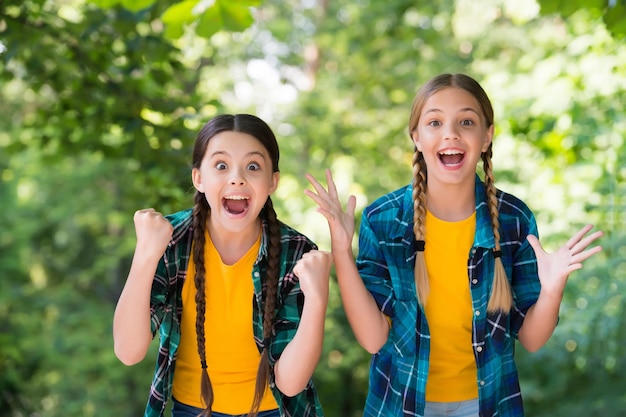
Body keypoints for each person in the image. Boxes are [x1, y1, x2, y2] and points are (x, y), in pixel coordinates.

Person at [304, 73, 603, 417]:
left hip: (490, 405)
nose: (451, 133)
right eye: (435, 122)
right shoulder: (382, 221)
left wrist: (552, 291)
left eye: (466, 121)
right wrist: (341, 250)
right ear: (416, 137)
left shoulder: (513, 220)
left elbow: (533, 339)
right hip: (400, 406)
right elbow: (373, 339)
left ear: (487, 137)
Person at [113, 114, 331, 417]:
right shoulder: (171, 241)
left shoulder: (296, 253)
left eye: (252, 167)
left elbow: (291, 383)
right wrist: (145, 256)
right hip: (190, 409)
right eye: (221, 165)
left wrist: (318, 299)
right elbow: (128, 351)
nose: (237, 178)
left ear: (273, 182)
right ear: (198, 178)